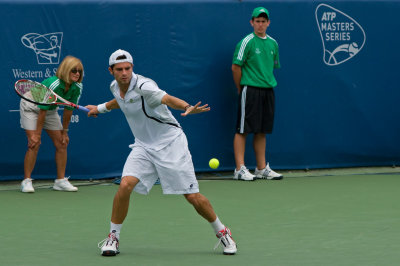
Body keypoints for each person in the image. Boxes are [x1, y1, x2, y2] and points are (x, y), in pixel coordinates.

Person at [87, 49, 237, 256]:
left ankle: (222, 232)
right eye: (119, 69)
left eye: (128, 68)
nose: (124, 73)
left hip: (170, 144)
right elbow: (120, 101)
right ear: (111, 71)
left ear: (132, 68)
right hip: (143, 146)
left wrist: (187, 106)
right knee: (125, 185)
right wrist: (100, 108)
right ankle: (113, 237)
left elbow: (166, 99)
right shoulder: (115, 86)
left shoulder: (144, 86)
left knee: (192, 196)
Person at [231, 7, 283, 181]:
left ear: (268, 23)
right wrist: (241, 88)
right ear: (252, 22)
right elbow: (235, 67)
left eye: (263, 21)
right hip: (250, 89)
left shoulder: (273, 44)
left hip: (268, 90)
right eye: (257, 21)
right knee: (243, 129)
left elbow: (271, 67)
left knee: (262, 130)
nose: (260, 24)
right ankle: (239, 169)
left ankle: (261, 168)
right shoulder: (246, 42)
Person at [20, 56, 83, 192]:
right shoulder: (53, 84)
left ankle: (60, 181)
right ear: (66, 70)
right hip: (31, 107)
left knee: (62, 142)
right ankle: (26, 181)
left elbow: (68, 110)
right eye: (74, 70)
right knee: (34, 142)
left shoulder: (77, 87)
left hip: (49, 110)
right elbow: (42, 111)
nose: (77, 74)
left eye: (79, 71)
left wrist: (64, 132)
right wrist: (37, 134)